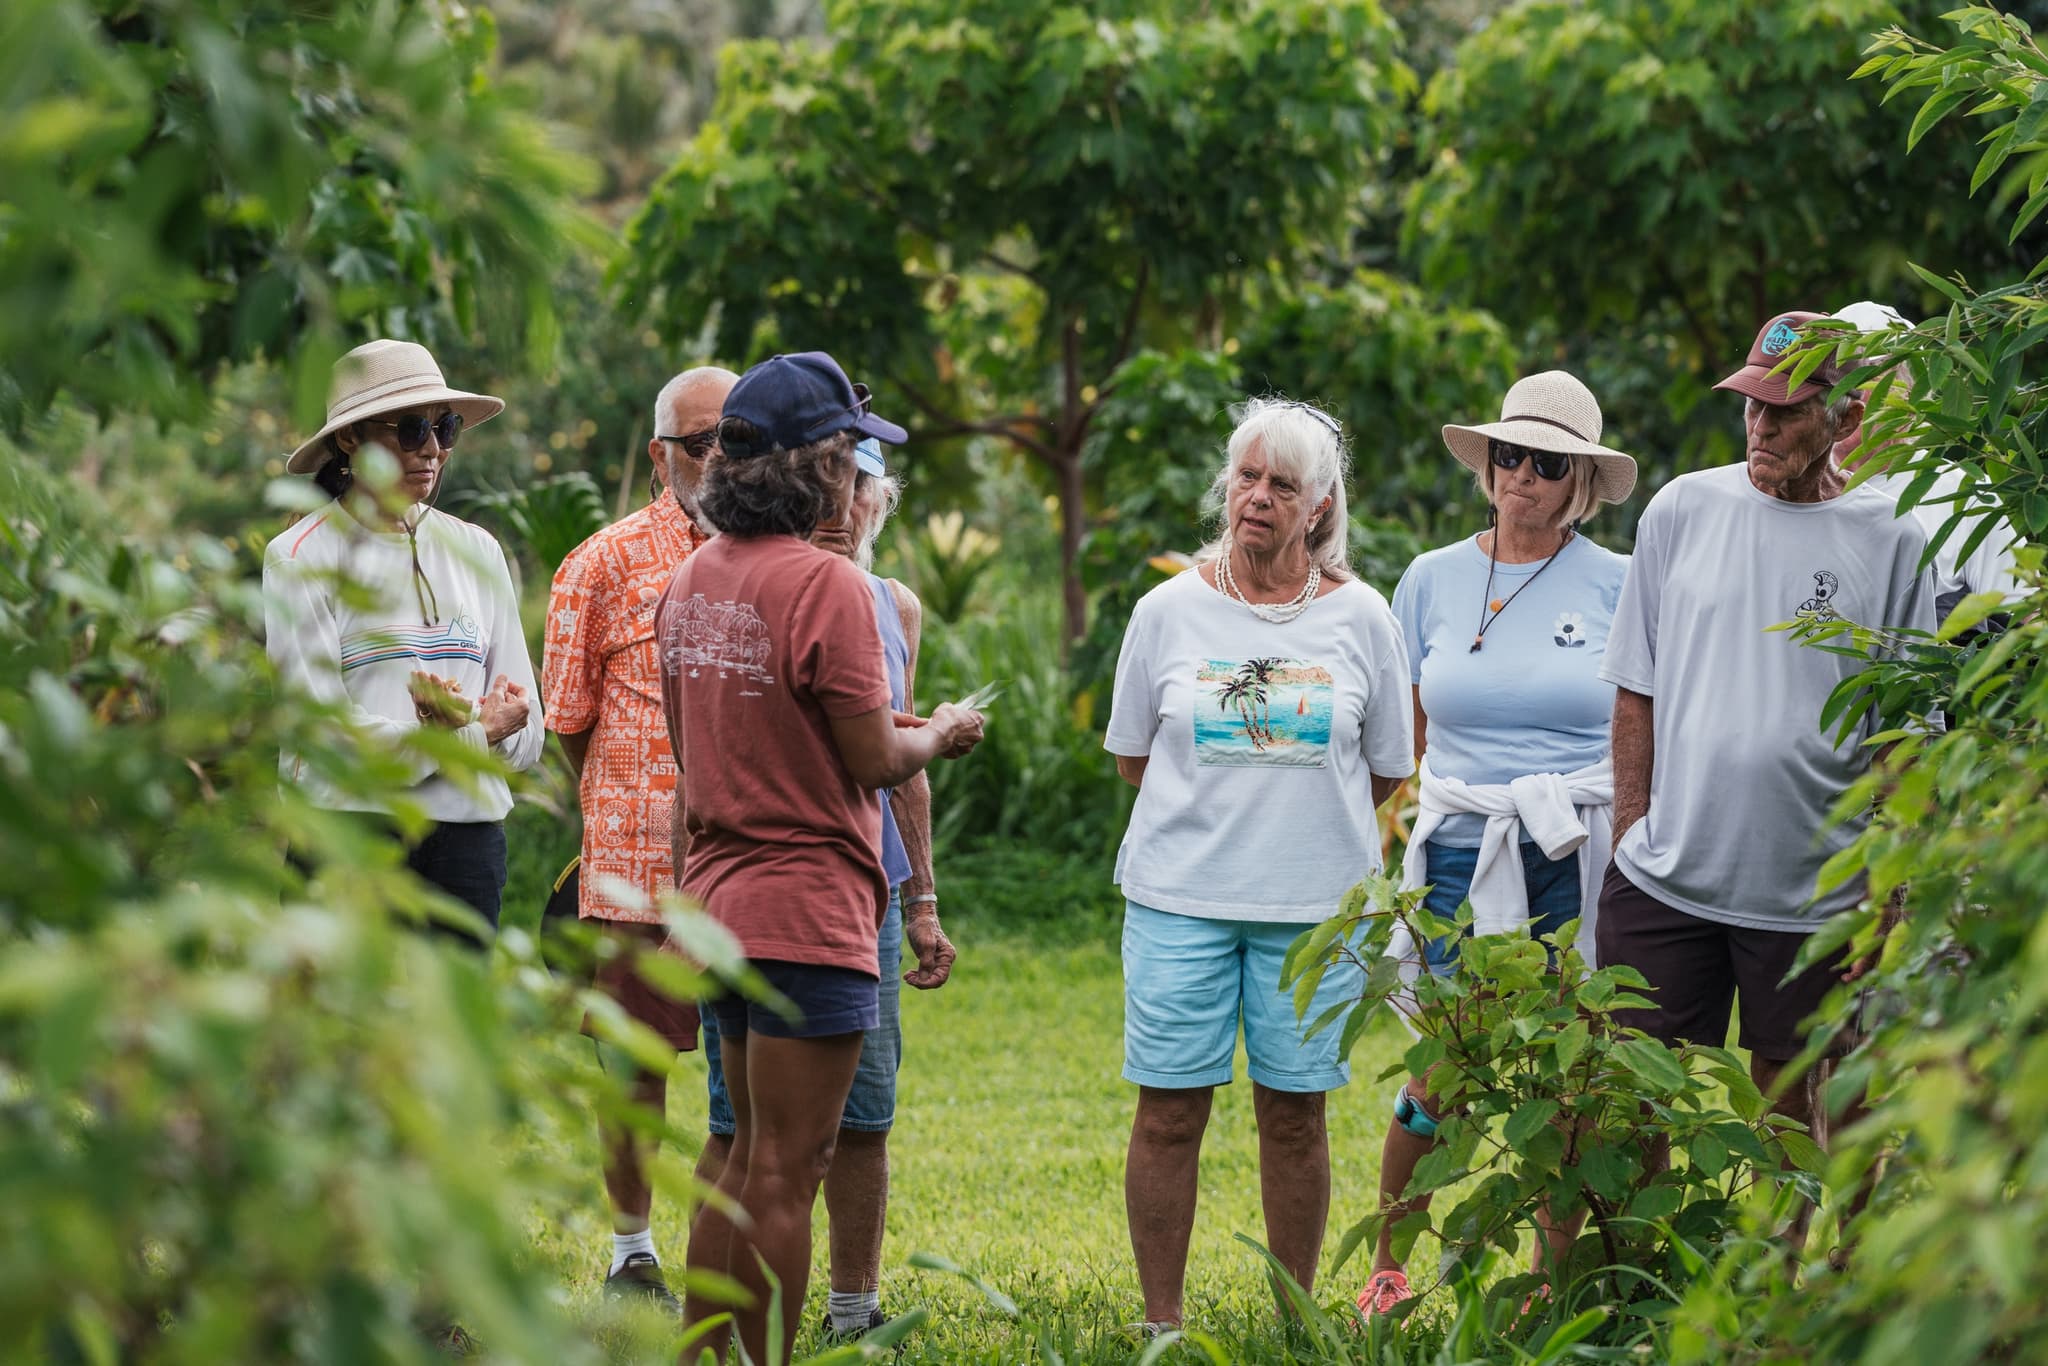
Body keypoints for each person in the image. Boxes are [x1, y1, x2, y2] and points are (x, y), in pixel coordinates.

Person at [657, 352, 984, 1366]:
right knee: (787, 1173)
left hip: (717, 907)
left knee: (738, 1154)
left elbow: (693, 751)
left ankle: (704, 1355)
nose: (857, 476)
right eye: (850, 453)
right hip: (808, 916)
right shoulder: (832, 587)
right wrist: (940, 733)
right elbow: (873, 756)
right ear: (816, 466)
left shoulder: (692, 580)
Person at [1595, 312, 1934, 1230]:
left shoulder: (1891, 538)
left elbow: (1901, 733)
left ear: (1844, 416)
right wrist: (1630, 831)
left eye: (1787, 413)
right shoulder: (1682, 509)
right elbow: (1637, 689)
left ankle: (1799, 1288)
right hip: (1669, 874)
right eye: (1752, 408)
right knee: (1623, 1091)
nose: (1762, 429)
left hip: (1814, 888)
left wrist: (1886, 886)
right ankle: (1626, 1282)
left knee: (1796, 1099)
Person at [1103, 397, 1414, 1333]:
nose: (1260, 498)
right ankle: (1163, 1324)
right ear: (1226, 487)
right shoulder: (1167, 611)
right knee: (1168, 1116)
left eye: (1284, 484)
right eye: (1247, 477)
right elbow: (1132, 757)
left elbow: (1391, 766)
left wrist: (1297, 835)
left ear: (1320, 505)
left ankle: (1295, 1318)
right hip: (1179, 902)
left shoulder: (1361, 617)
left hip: (1311, 913)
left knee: (1295, 1118)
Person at [1359, 371, 1637, 1316]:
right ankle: (1388, 1269)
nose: (1521, 475)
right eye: (1508, 454)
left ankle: (1556, 1289)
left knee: (1573, 1074)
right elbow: (1410, 733)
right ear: (1488, 463)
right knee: (1448, 1067)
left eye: (1546, 461)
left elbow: (1642, 721)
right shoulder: (1430, 577)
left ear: (1581, 481)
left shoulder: (1619, 581)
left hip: (1569, 849)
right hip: (1458, 850)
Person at [541, 365, 736, 1305]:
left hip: (746, 861)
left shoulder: (776, 555)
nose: (719, 458)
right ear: (662, 456)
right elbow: (568, 716)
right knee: (634, 1065)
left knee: (752, 1070)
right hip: (632, 864)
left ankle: (737, 1253)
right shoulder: (601, 563)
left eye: (736, 438)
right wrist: (625, 800)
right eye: (700, 443)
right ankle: (631, 1252)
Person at [265, 338, 544, 939]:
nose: (435, 450)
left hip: (468, 847)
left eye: (445, 428)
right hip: (351, 840)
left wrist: (465, 729)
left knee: (456, 1032)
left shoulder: (478, 551)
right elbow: (323, 742)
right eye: (413, 429)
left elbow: (528, 732)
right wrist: (473, 732)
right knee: (345, 1030)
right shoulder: (300, 556)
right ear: (349, 440)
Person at [1830, 300, 2024, 622]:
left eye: (1862, 376)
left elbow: (2022, 622)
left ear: (1910, 392)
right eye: (1832, 378)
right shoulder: (1793, 488)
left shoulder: (1965, 493)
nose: (1843, 392)